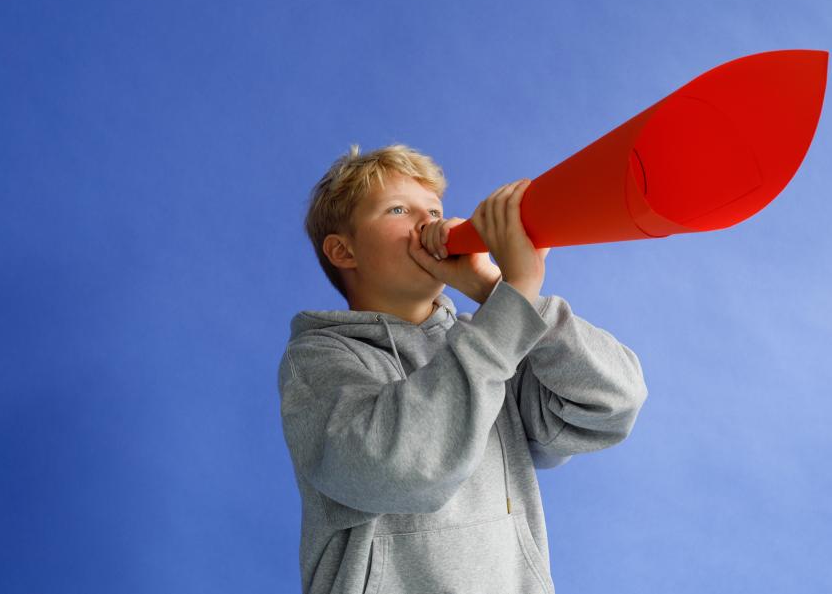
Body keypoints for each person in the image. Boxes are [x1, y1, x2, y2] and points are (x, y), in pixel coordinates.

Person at [278, 142, 649, 594]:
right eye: (398, 210)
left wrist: (500, 292)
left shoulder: (492, 337)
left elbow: (614, 403)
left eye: (434, 210)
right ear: (343, 252)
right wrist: (512, 304)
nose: (428, 224)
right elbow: (402, 469)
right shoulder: (322, 359)